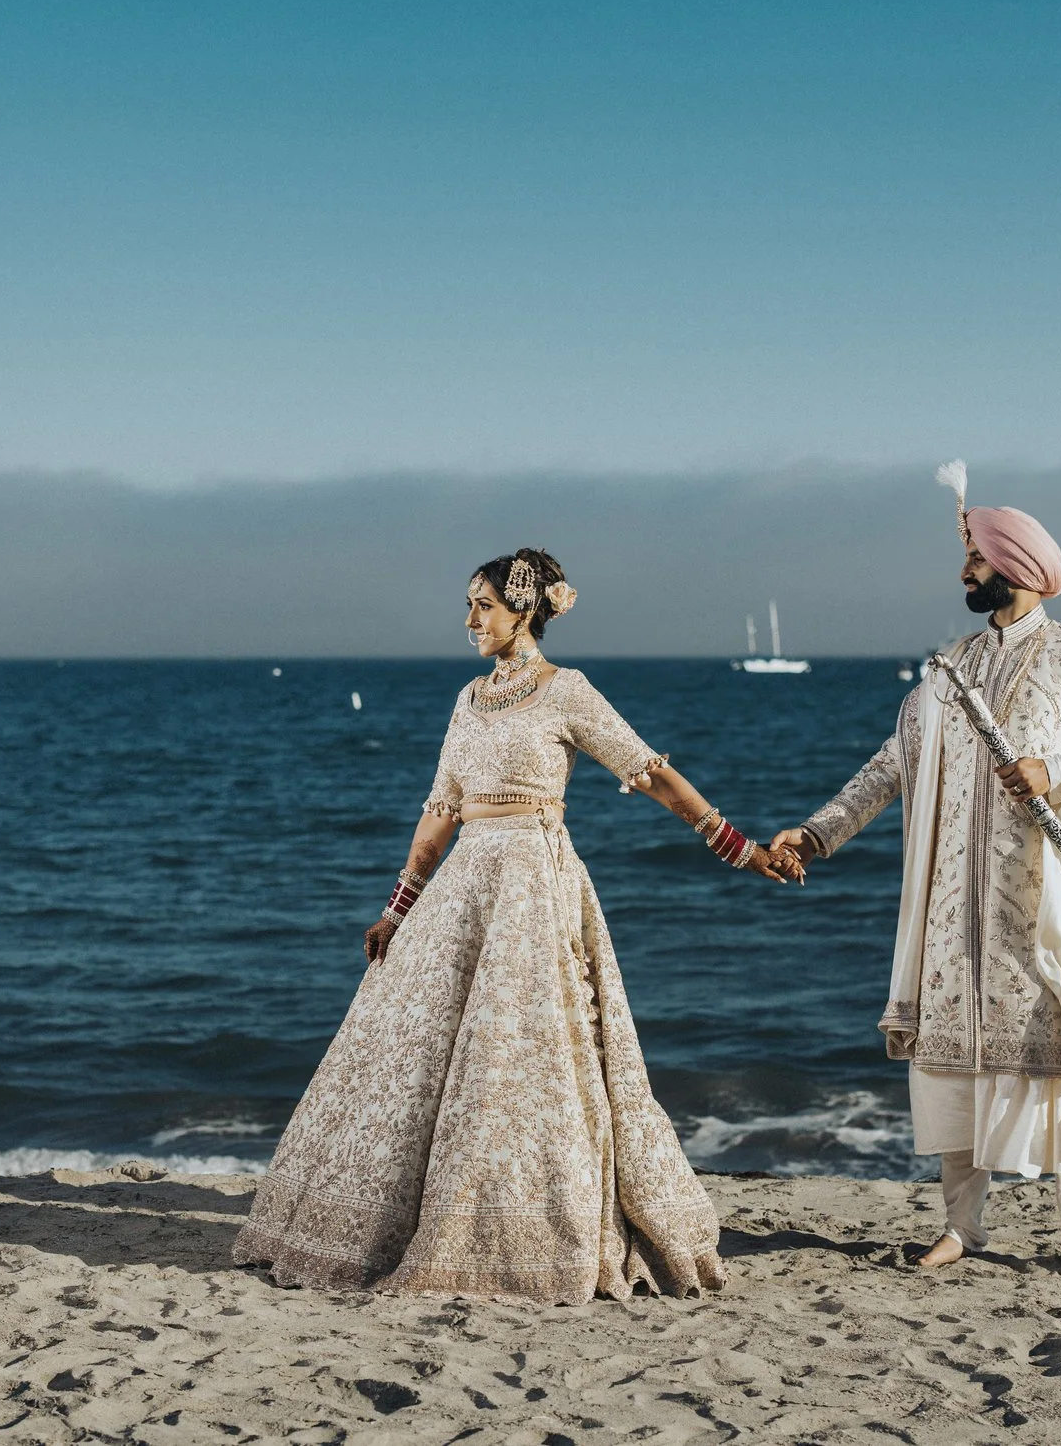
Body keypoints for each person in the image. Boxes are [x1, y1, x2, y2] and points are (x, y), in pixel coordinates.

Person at [234, 547, 798, 1304]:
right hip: (465, 885)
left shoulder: (568, 692)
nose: (470, 620)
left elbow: (651, 771)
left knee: (522, 1062)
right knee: (411, 1053)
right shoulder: (468, 701)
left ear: (525, 609)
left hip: (534, 884)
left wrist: (736, 846)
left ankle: (529, 1223)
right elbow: (441, 808)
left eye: (484, 605)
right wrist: (398, 906)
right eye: (468, 605)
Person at [770, 473, 1061, 1281]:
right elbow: (890, 769)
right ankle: (961, 1226)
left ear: (1010, 564)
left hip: (1039, 911)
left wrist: (1056, 769)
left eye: (973, 559)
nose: (963, 574)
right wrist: (815, 833)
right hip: (952, 915)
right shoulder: (948, 671)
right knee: (953, 1074)